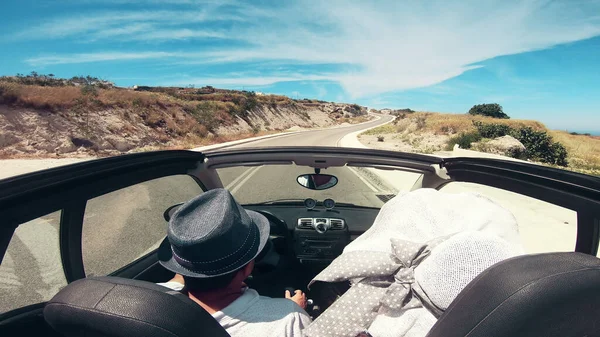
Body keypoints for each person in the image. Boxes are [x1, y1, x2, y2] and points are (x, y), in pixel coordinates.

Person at [157, 188, 312, 337]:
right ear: (247, 269)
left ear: (180, 266)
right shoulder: (288, 320)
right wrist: (296, 309)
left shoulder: (151, 303)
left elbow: (176, 281)